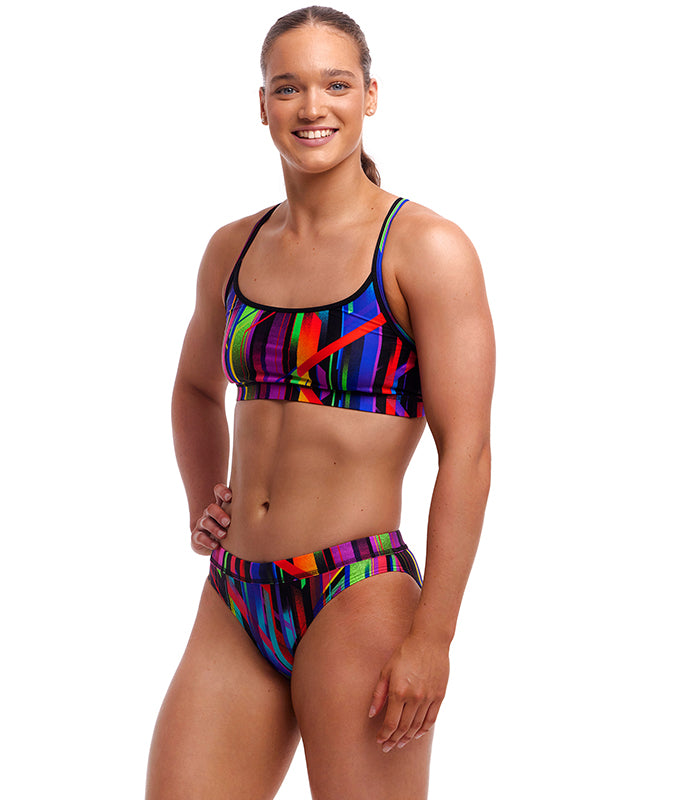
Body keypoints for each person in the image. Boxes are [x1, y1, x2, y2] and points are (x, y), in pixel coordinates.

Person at [145, 6, 494, 799]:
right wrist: (203, 501)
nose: (312, 107)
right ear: (261, 103)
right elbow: (195, 388)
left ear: (369, 95)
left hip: (356, 595)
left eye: (336, 84)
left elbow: (467, 452)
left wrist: (434, 638)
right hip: (235, 596)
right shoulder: (233, 247)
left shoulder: (423, 249)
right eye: (288, 87)